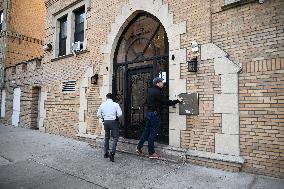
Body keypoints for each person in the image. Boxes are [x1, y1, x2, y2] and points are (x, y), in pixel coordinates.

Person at [136, 77, 182, 159]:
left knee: (146, 132)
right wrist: (177, 101)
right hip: (154, 115)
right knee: (152, 134)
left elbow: (147, 102)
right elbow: (166, 102)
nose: (163, 83)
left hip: (149, 113)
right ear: (157, 83)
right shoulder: (157, 92)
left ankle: (138, 147)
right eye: (161, 82)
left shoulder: (150, 90)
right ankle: (151, 153)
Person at [97, 93, 122, 162]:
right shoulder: (115, 104)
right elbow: (120, 114)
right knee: (115, 137)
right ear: (112, 98)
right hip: (113, 121)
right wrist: (115, 116)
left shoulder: (102, 104)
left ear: (106, 97)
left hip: (106, 121)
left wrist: (103, 117)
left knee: (107, 137)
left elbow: (98, 114)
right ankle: (112, 153)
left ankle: (105, 153)